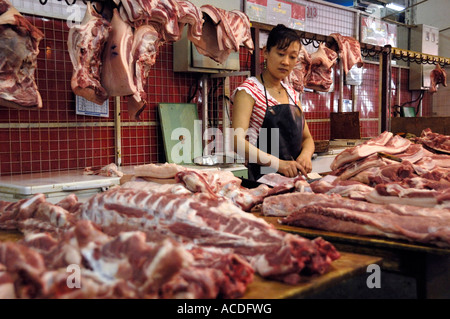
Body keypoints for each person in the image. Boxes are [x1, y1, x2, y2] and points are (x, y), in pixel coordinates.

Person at [231, 24, 315, 181]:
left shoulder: (292, 94)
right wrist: (279, 164)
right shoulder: (248, 91)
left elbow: (307, 138)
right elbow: (237, 142)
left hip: (293, 180)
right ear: (266, 53)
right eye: (281, 53)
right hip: (261, 181)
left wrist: (305, 155)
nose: (286, 62)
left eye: (292, 57)